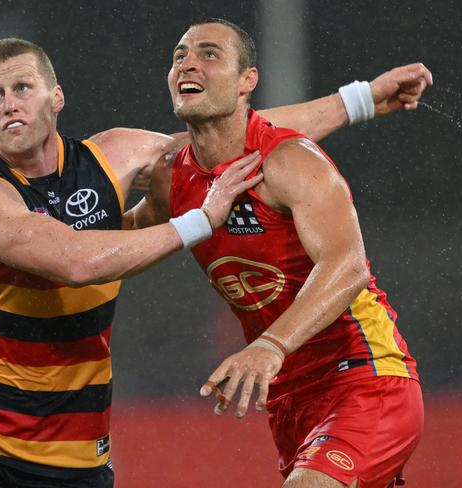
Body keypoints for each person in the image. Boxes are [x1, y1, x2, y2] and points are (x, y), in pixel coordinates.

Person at [0, 37, 431, 488]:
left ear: (56, 96)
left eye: (22, 88)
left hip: (75, 441)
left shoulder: (112, 155)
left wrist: (359, 99)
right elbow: (75, 262)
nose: (9, 104)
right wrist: (199, 220)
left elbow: (232, 130)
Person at [131, 19, 431, 488]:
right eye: (179, 56)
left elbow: (347, 266)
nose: (187, 63)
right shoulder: (173, 176)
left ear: (247, 81)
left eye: (209, 54)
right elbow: (122, 238)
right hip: (289, 399)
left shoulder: (291, 161)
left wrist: (269, 346)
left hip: (364, 377)